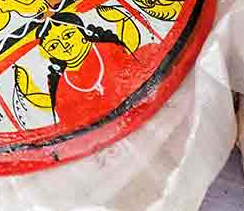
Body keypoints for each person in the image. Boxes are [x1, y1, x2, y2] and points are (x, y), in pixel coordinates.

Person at [13, 10, 161, 128]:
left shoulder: (109, 48)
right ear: (48, 53)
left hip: (155, 105)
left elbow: (132, 48)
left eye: (68, 35)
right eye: (54, 45)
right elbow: (65, 118)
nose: (65, 45)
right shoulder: (62, 86)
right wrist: (26, 87)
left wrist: (120, 18)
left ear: (82, 31)